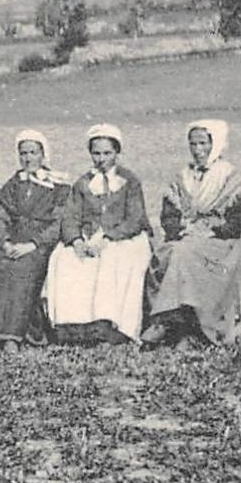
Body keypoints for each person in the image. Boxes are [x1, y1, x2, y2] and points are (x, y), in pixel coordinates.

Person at [143, 120, 241, 346]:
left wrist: (212, 230)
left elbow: (238, 220)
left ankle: (186, 327)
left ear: (216, 143)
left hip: (222, 243)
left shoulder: (229, 176)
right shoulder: (183, 176)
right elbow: (169, 216)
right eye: (193, 144)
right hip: (188, 236)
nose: (197, 150)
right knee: (166, 254)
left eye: (203, 143)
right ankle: (173, 322)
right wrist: (182, 229)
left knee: (185, 255)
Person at [45, 124, 152, 345]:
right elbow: (71, 216)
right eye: (96, 153)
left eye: (107, 153)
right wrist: (75, 240)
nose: (101, 159)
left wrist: (108, 237)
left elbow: (135, 219)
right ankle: (73, 327)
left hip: (124, 239)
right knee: (65, 258)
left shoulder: (129, 181)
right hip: (88, 238)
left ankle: (108, 325)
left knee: (112, 259)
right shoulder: (83, 183)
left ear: (117, 153)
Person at [0, 130, 69, 352]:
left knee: (24, 266)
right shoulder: (13, 184)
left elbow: (59, 223)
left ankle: (13, 336)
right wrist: (5, 243)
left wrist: (33, 244)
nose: (28, 158)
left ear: (43, 155)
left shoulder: (59, 187)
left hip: (38, 244)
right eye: (23, 153)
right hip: (12, 242)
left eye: (33, 153)